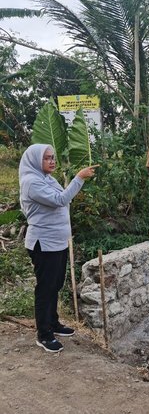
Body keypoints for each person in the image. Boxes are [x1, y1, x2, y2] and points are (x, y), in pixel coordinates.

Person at [19, 144, 98, 353]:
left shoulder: (47, 179)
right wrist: (79, 178)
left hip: (57, 242)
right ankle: (43, 334)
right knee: (45, 289)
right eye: (47, 158)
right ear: (35, 160)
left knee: (55, 285)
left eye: (53, 157)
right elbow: (61, 200)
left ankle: (53, 323)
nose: (52, 161)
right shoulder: (31, 182)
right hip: (43, 244)